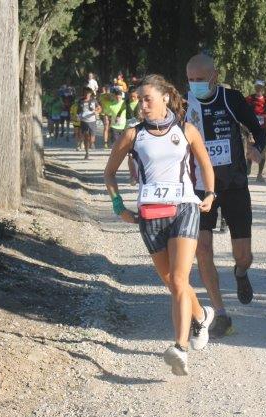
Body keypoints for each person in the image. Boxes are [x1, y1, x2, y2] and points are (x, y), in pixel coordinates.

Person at [104, 74, 217, 376]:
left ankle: (180, 347)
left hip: (184, 208)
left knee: (179, 279)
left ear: (165, 97)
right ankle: (201, 316)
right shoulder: (132, 135)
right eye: (138, 100)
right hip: (150, 214)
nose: (141, 105)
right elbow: (109, 173)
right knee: (171, 282)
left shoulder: (186, 130)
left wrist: (209, 193)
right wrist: (118, 206)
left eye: (147, 99)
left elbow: (205, 163)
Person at [185, 53, 266, 337]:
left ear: (214, 76)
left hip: (234, 185)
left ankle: (241, 272)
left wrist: (256, 148)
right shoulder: (184, 104)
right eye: (190, 79)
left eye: (200, 79)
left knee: (243, 255)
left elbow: (258, 129)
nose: (195, 84)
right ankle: (220, 313)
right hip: (198, 188)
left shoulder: (231, 99)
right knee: (202, 249)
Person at [245, 80, 266, 182]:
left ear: (263, 89)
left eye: (260, 87)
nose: (258, 89)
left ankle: (259, 174)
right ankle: (248, 169)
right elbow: (244, 112)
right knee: (250, 150)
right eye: (257, 87)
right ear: (255, 88)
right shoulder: (249, 99)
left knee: (262, 152)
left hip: (263, 129)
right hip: (251, 129)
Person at [77, 86, 101, 160]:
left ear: (90, 94)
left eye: (88, 93)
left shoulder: (94, 100)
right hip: (84, 121)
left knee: (92, 138)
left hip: (92, 121)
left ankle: (92, 143)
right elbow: (78, 110)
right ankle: (87, 152)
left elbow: (99, 108)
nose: (86, 95)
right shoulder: (80, 101)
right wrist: (78, 116)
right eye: (85, 93)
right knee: (86, 136)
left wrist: (97, 112)